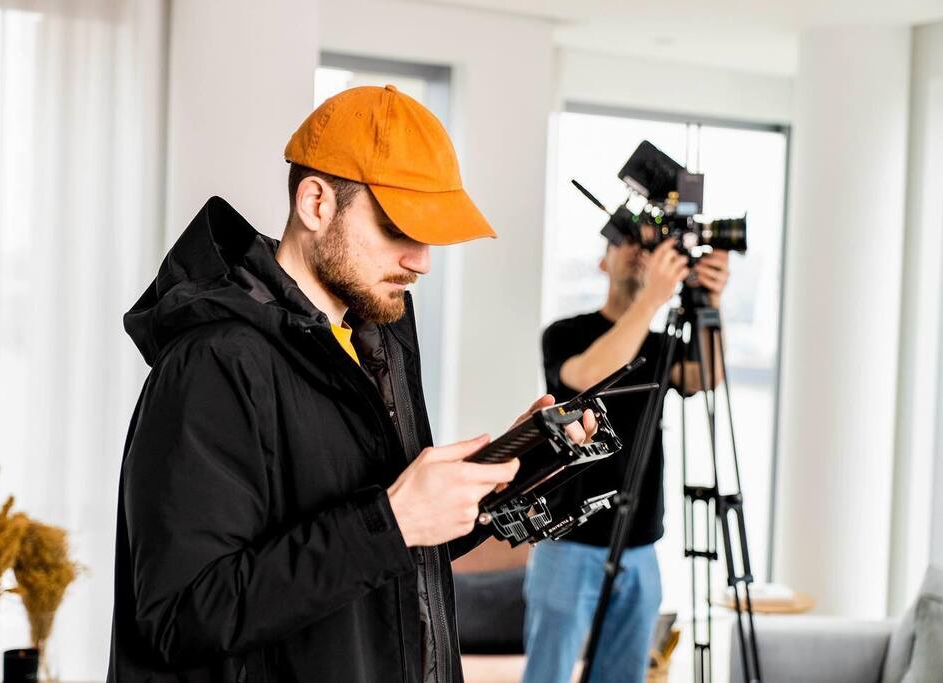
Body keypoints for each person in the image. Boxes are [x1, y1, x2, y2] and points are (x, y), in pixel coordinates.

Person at [107, 84, 596, 683]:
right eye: (398, 228)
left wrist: (504, 474)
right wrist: (392, 523)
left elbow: (381, 564)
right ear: (316, 203)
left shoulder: (374, 344)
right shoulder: (214, 362)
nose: (422, 260)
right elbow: (183, 616)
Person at [522, 238, 730, 683]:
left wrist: (711, 303)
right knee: (549, 675)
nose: (641, 252)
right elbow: (584, 379)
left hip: (640, 543)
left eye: (651, 247)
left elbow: (705, 375)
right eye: (627, 243)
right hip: (569, 540)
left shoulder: (659, 345)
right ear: (603, 259)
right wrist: (654, 297)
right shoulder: (565, 333)